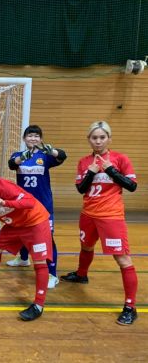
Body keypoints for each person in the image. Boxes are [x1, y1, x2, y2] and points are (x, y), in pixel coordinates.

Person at [60, 121, 138, 325]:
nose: (98, 141)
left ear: (109, 139)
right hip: (88, 214)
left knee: (122, 259)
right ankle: (81, 274)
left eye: (102, 137)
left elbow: (132, 186)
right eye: (94, 137)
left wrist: (111, 170)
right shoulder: (84, 162)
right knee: (86, 246)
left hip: (111, 217)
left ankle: (130, 306)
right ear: (89, 140)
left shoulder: (120, 159)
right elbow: (81, 189)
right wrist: (92, 171)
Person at [0, 158, 52, 321]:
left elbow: (29, 201)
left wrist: (5, 202)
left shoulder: (3, 186)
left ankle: (38, 305)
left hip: (35, 222)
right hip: (14, 225)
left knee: (40, 262)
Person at [6, 125, 67, 289]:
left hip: (44, 206)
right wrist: (22, 157)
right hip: (24, 205)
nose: (33, 138)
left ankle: (52, 274)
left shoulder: (45, 156)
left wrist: (52, 151)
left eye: (36, 136)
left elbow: (63, 156)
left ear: (40, 139)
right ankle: (23, 259)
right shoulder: (18, 155)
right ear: (24, 139)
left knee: (47, 239)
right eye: (30, 136)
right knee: (23, 233)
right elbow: (11, 164)